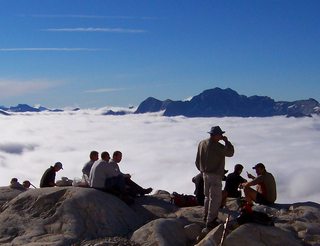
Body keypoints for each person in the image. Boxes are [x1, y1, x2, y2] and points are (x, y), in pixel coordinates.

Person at [195, 126, 234, 230]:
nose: (221, 136)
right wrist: (227, 142)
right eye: (220, 134)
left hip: (204, 173)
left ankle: (206, 216)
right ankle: (211, 221)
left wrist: (202, 170)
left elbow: (197, 160)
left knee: (207, 197)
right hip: (215, 175)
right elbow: (230, 153)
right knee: (215, 199)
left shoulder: (201, 143)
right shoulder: (217, 146)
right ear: (216, 135)